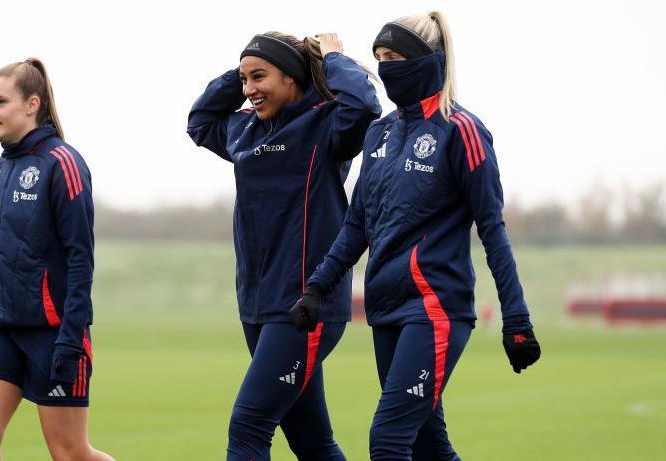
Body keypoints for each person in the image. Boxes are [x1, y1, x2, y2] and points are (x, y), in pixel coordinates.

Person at [290, 12, 541, 460]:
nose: (385, 68)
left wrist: (516, 320)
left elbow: (493, 231)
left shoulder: (462, 130)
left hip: (435, 310)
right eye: (379, 58)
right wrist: (317, 287)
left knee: (387, 440)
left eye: (395, 57)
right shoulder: (379, 133)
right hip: (384, 309)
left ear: (428, 60)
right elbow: (356, 227)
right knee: (430, 445)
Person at [187, 32, 381, 460]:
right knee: (312, 442)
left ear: (293, 78)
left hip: (305, 305)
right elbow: (200, 121)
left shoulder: (325, 125)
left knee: (249, 425)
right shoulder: (243, 130)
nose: (249, 89)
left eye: (261, 77)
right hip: (256, 305)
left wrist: (330, 59)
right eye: (244, 81)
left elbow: (365, 107)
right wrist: (243, 69)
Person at [0, 58, 114, 461]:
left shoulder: (62, 163)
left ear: (32, 104)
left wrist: (71, 336)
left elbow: (81, 259)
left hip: (54, 334)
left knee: (69, 452)